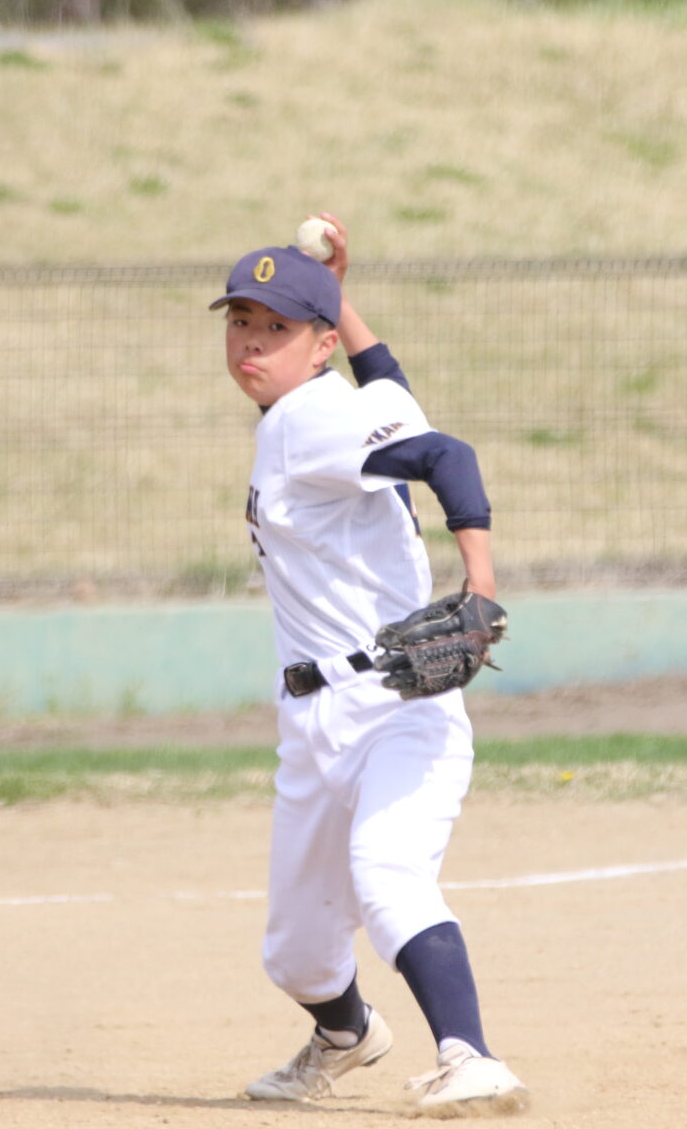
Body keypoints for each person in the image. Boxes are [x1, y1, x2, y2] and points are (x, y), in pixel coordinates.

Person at [213, 215, 528, 1115]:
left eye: (276, 328)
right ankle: (346, 1035)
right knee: (297, 954)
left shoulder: (310, 422)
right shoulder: (343, 407)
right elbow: (397, 400)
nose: (251, 344)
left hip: (398, 704)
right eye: (240, 323)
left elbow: (447, 455)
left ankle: (473, 1057)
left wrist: (480, 585)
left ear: (314, 350)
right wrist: (337, 299)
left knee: (389, 874)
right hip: (312, 720)